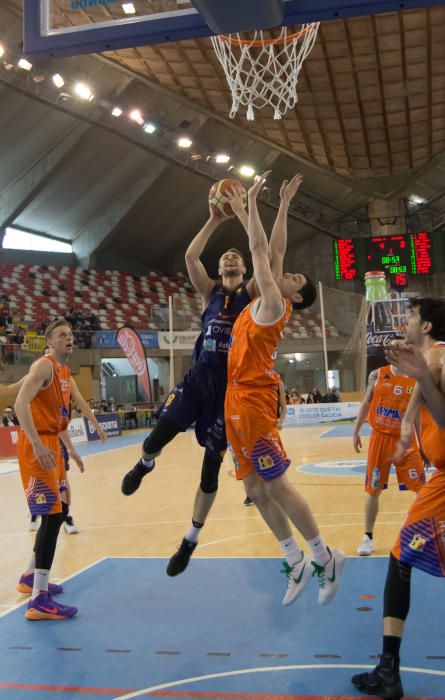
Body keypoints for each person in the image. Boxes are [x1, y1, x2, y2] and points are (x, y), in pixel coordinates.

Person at [121, 175, 306, 578]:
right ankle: (145, 464)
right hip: (197, 381)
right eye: (226, 258)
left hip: (230, 394)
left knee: (209, 472)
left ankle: (190, 540)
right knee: (155, 439)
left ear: (243, 267)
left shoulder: (253, 295)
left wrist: (279, 209)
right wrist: (213, 220)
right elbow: (190, 258)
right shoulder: (210, 293)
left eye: (236, 258)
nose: (230, 259)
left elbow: (272, 251)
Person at [225, 172, 344, 606]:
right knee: (254, 490)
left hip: (253, 402)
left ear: (297, 295)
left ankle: (324, 555)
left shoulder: (274, 303)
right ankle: (293, 558)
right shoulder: (267, 295)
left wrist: (254, 202)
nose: (287, 271)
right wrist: (286, 206)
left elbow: (260, 250)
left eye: (294, 277)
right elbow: (273, 249)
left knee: (275, 484)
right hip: (234, 398)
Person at [351, 297, 445, 698]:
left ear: (426, 326)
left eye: (411, 315)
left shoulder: (438, 361)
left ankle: (389, 671)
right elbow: (421, 400)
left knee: (399, 561)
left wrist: (423, 378)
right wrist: (408, 422)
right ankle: (388, 669)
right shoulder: (429, 359)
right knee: (399, 559)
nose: (405, 319)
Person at [14, 319, 81, 620]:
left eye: (70, 334)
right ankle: (39, 599)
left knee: (56, 514)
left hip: (51, 442)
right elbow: (19, 404)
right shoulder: (44, 366)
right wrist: (37, 445)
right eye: (61, 336)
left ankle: (32, 580)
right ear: (50, 343)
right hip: (37, 445)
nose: (68, 338)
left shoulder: (64, 371)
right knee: (53, 518)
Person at [353, 361, 425, 556]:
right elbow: (366, 403)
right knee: (373, 490)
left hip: (406, 441)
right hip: (381, 439)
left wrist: (422, 445)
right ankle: (367, 537)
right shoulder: (377, 375)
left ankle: (412, 529)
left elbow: (416, 415)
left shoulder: (416, 378)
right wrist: (356, 430)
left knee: (423, 490)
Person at [243, 377, 287, 507]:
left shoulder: (278, 383)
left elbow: (284, 407)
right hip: (251, 426)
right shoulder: (250, 378)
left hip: (269, 428)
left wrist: (280, 422)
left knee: (273, 461)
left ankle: (275, 490)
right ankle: (250, 494)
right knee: (251, 461)